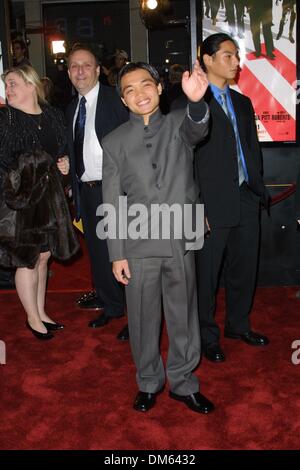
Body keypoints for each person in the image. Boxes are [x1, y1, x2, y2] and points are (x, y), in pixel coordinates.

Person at [102, 61, 215, 414]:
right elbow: (112, 199)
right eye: (130, 90)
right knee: (141, 317)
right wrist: (116, 253)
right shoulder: (113, 141)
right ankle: (149, 380)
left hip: (180, 237)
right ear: (123, 100)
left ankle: (183, 382)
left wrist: (196, 102)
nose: (140, 94)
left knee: (183, 314)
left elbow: (199, 129)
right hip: (136, 243)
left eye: (145, 85)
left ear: (160, 88)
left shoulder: (181, 122)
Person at [194, 33, 270, 362]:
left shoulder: (242, 102)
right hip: (210, 205)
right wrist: (196, 208)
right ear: (207, 59)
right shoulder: (192, 103)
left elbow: (250, 148)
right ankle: (206, 336)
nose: (236, 62)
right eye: (227, 55)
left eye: (236, 55)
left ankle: (238, 324)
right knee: (206, 276)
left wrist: (256, 186)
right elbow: (186, 161)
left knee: (244, 268)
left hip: (245, 197)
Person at [0, 65, 79, 340]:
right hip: (21, 201)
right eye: (6, 85)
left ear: (32, 85)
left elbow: (63, 151)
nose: (8, 89)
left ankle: (41, 311)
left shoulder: (54, 115)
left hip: (49, 197)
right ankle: (32, 318)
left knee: (45, 257)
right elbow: (5, 162)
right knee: (28, 259)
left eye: (13, 84)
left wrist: (65, 164)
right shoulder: (6, 119)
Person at [66, 43, 129, 331]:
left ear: (99, 70)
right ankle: (112, 306)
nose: (80, 71)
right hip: (87, 192)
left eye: (86, 65)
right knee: (99, 254)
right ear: (68, 73)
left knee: (126, 251)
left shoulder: (116, 99)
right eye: (74, 66)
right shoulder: (70, 109)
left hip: (116, 190)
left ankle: (137, 311)